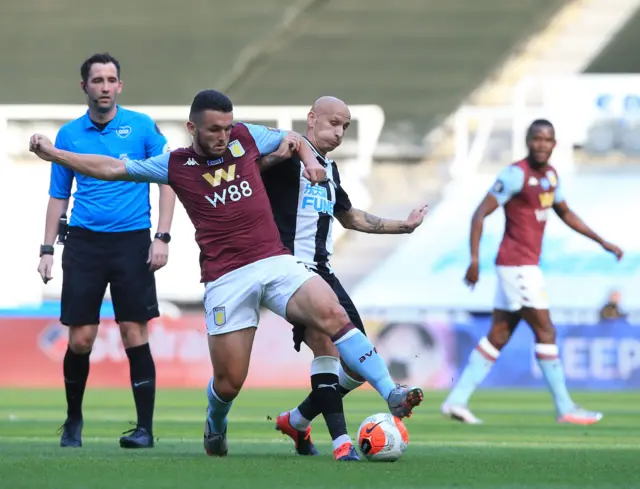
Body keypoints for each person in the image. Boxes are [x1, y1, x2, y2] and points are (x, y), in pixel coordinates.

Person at [29, 89, 424, 458]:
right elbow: (113, 168)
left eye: (227, 127)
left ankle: (391, 392)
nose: (223, 136)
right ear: (192, 129)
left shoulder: (245, 137)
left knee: (333, 315)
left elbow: (294, 137)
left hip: (275, 260)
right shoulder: (176, 165)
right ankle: (215, 420)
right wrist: (55, 154)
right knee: (229, 382)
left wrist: (307, 162)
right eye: (214, 130)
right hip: (226, 278)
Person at [257, 96, 427, 460]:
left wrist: (405, 226)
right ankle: (343, 443)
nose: (339, 132)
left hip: (326, 273)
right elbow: (249, 174)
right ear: (312, 119)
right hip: (291, 271)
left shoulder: (330, 170)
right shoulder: (285, 159)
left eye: (345, 127)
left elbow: (350, 217)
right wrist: (275, 156)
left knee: (355, 364)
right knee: (325, 347)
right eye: (333, 123)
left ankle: (298, 420)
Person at [441, 119, 623, 425]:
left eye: (548, 139)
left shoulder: (551, 176)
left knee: (499, 334)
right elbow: (479, 214)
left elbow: (566, 214)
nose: (542, 144)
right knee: (546, 330)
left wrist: (602, 241)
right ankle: (565, 407)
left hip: (523, 265)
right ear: (528, 141)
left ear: (554, 144)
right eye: (537, 138)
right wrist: (474, 260)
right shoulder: (515, 174)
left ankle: (456, 401)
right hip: (517, 265)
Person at [37, 53, 176, 448]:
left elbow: (169, 180)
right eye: (96, 80)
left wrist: (162, 237)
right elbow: (58, 195)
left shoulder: (142, 127)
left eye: (110, 79)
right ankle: (73, 420)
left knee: (135, 332)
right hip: (83, 243)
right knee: (81, 339)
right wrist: (46, 249)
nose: (104, 86)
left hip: (133, 241)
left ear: (120, 86)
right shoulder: (68, 135)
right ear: (85, 86)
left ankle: (145, 429)